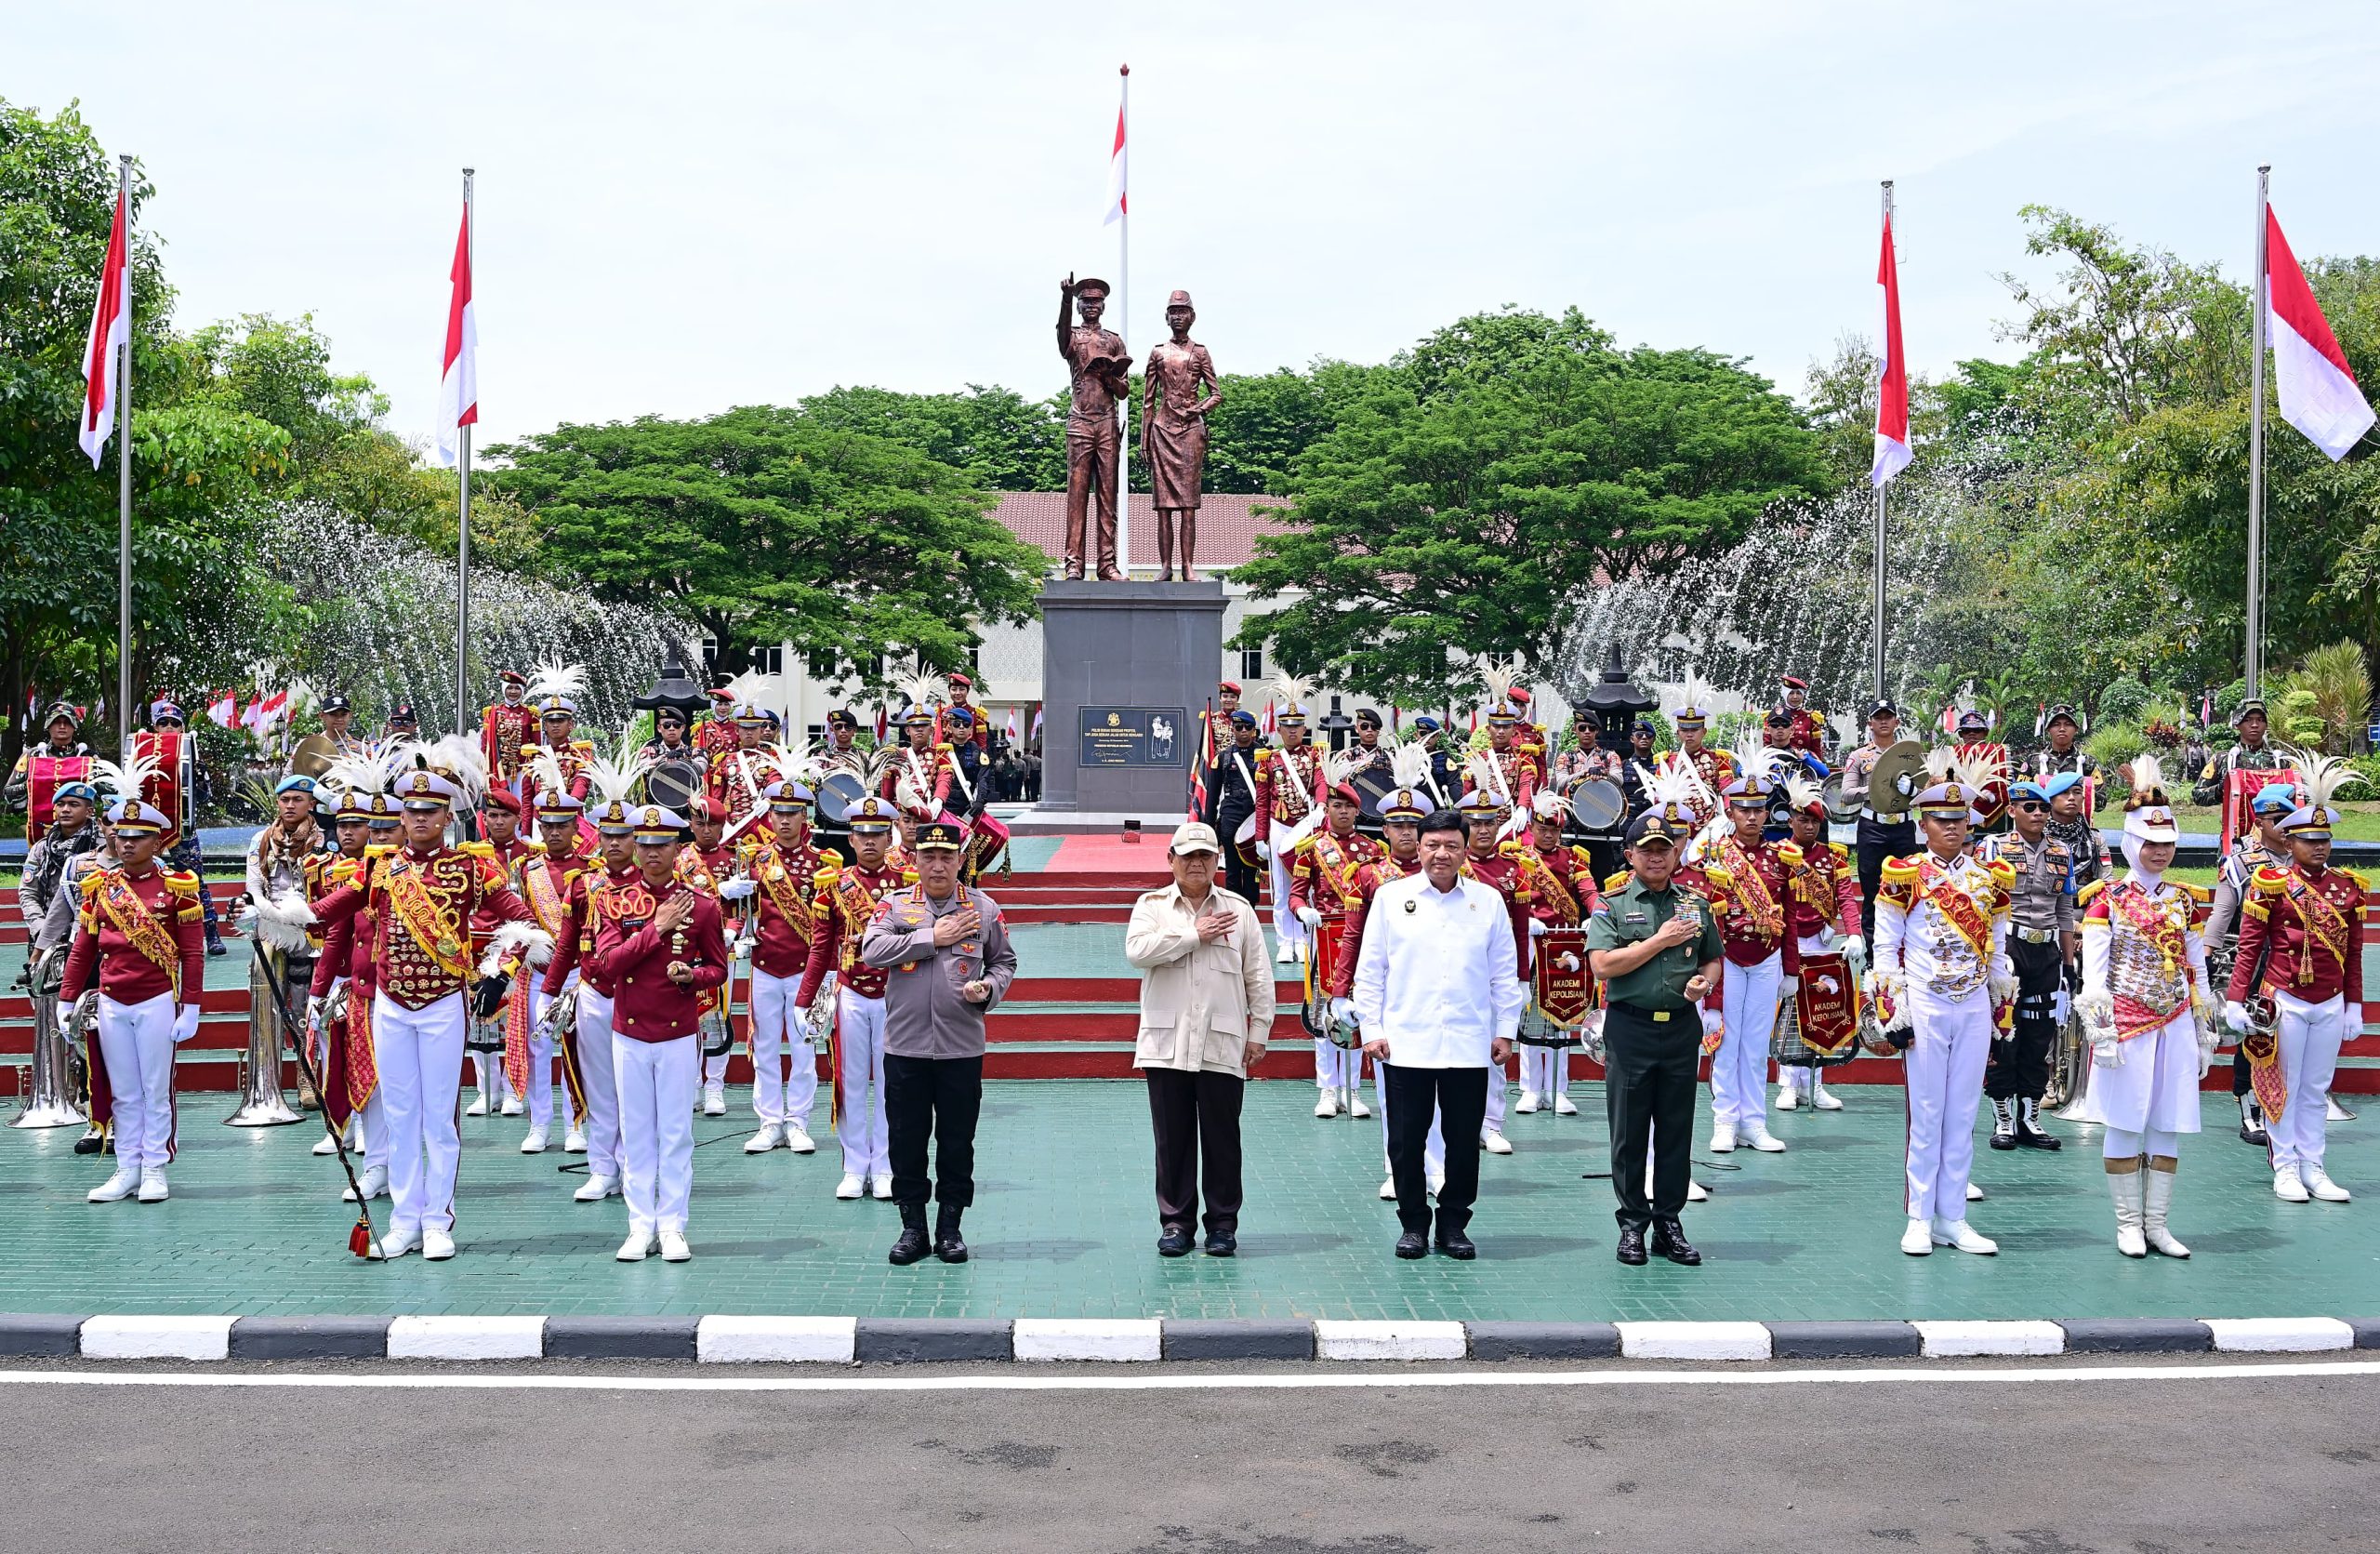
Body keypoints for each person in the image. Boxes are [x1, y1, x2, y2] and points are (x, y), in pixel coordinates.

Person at [282, 758, 549, 1259]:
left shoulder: (472, 865)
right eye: (412, 811)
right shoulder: (380, 867)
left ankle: (437, 1220)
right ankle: (404, 1219)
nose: (421, 819)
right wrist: (274, 917)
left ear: (447, 816)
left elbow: (526, 921)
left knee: (438, 1117)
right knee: (401, 1114)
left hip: (443, 1002)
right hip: (390, 1004)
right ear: (401, 818)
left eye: (431, 811)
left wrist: (501, 971)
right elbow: (330, 910)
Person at [1352, 808, 1525, 1261]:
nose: (1441, 854)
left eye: (1451, 846)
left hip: (1469, 1045)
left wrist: (1505, 1032)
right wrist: (1371, 1028)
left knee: (1464, 1141)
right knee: (1406, 1141)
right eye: (1432, 845)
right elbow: (1370, 971)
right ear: (1418, 848)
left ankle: (1453, 1222)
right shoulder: (1391, 898)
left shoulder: (1487, 902)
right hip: (1406, 1042)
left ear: (1466, 851)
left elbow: (1505, 975)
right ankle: (1413, 1223)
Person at [2070, 757, 2212, 1256]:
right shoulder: (2106, 899)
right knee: (2126, 1121)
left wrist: (2202, 1024)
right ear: (2132, 844)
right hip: (2126, 1023)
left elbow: (2197, 968)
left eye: (2167, 844)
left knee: (2167, 1122)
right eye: (2151, 844)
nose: (2160, 852)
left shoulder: (2184, 901)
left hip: (2173, 1021)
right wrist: (2100, 1029)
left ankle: (2158, 1225)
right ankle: (2128, 1224)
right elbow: (2093, 974)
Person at [1871, 764, 2015, 1256]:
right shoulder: (1903, 874)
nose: (1952, 826)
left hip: (1973, 1002)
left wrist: (1999, 999)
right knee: (1927, 1113)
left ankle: (1953, 1216)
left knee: (1964, 1113)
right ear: (1924, 824)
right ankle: (1919, 1216)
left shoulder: (1989, 878)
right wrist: (1896, 1010)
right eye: (1941, 819)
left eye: (1960, 818)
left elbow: (1996, 946)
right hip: (1926, 1002)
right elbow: (1886, 947)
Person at [861, 817, 1016, 1265]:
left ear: (961, 860)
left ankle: (950, 1228)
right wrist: (932, 937)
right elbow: (872, 951)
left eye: (946, 857)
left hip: (960, 1048)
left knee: (956, 1141)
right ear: (914, 860)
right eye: (928, 856)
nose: (937, 866)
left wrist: (988, 989)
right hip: (905, 1047)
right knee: (906, 1142)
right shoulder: (892, 907)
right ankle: (913, 1229)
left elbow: (1004, 962)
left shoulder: (983, 910)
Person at [1586, 794, 1725, 1267]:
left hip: (1681, 1028)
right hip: (1631, 1029)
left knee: (1675, 1129)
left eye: (1665, 847)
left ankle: (1668, 1222)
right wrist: (1660, 940)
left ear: (1677, 852)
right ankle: (1631, 1224)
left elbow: (1712, 956)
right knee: (1627, 1132)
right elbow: (1603, 966)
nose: (1657, 856)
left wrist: (1705, 981)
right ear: (1630, 855)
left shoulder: (1695, 904)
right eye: (1647, 849)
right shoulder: (1611, 906)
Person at [1124, 821, 1270, 1256]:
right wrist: (1195, 935)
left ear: (1217, 860)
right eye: (1187, 856)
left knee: (1223, 1138)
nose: (1197, 864)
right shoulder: (1152, 906)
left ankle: (1223, 1225)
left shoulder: (1239, 910)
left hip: (1222, 1040)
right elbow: (1137, 952)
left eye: (1205, 856)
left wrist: (1259, 1030)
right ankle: (1176, 1224)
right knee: (1172, 1138)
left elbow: (1258, 976)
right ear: (1171, 860)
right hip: (1167, 1043)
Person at [58, 783, 206, 1204]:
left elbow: (192, 953)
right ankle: (127, 1167)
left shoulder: (178, 887)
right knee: (122, 1089)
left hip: (157, 999)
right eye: (121, 835)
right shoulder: (101, 887)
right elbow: (83, 948)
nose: (127, 843)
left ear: (156, 841)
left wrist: (191, 1006)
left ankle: (155, 1166)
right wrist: (67, 998)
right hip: (110, 1000)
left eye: (138, 836)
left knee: (155, 1088)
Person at [593, 804, 728, 1262]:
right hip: (629, 1031)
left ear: (677, 848)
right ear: (633, 845)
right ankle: (639, 1225)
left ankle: (672, 1224)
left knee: (675, 1133)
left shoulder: (703, 906)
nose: (652, 853)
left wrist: (693, 976)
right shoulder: (612, 901)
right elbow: (608, 964)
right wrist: (656, 928)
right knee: (635, 1133)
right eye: (645, 844)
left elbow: (718, 969)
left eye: (662, 844)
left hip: (676, 1031)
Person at [2224, 757, 2361, 1204]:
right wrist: (2235, 999)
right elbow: (2249, 946)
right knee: (2282, 1082)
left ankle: (2314, 1165)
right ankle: (2285, 1167)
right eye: (2308, 840)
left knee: (2317, 1087)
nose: (2319, 848)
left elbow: (2354, 954)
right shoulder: (2271, 884)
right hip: (2284, 998)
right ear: (2291, 840)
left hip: (2330, 999)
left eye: (2324, 840)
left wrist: (2355, 1004)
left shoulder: (2348, 888)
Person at [1327, 749, 1445, 1199]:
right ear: (1386, 828)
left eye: (1414, 825)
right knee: (1391, 1092)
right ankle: (1398, 1169)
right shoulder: (1370, 874)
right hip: (1388, 994)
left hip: (1434, 990)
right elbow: (1353, 937)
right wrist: (1342, 991)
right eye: (1398, 825)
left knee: (1438, 1088)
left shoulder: (1448, 872)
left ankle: (1435, 1167)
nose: (1407, 833)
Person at [539, 760, 646, 1200]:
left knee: (636, 1090)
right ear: (597, 837)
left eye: (623, 836)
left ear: (636, 839)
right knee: (600, 1088)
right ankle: (603, 1168)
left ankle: (638, 1169)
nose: (615, 843)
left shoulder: (654, 881)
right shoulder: (582, 885)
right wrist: (549, 992)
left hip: (640, 999)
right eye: (608, 835)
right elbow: (565, 945)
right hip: (594, 996)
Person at [800, 795, 911, 1200]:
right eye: (862, 835)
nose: (869, 843)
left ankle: (883, 1164)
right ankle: (853, 1164)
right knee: (848, 1080)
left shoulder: (906, 883)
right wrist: (804, 1000)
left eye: (878, 835)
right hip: (849, 993)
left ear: (889, 837)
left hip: (895, 995)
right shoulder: (833, 887)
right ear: (851, 838)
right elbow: (819, 948)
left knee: (890, 1083)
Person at [1697, 750, 1798, 1154]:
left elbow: (1789, 917)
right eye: (1744, 810)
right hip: (1727, 961)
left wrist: (1790, 969)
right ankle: (1725, 1120)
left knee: (1756, 1045)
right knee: (1725, 1040)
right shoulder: (1715, 857)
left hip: (1767, 957)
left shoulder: (1781, 858)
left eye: (1758, 809)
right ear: (1730, 811)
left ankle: (1754, 1122)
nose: (1752, 817)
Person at [1976, 779, 2078, 1151]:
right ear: (2012, 811)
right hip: (2008, 947)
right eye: (2029, 808)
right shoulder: (1993, 848)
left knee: (2039, 1034)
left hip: (2047, 951)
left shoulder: (2061, 851)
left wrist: (2069, 965)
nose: (2038, 814)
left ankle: (2030, 1119)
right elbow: (1981, 904)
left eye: (2043, 809)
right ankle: (2002, 1118)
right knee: (2005, 1032)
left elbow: (2066, 910)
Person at [736, 780, 832, 1156]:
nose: (786, 820)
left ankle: (798, 1121)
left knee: (804, 1047)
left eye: (793, 812)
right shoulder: (755, 860)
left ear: (804, 815)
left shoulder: (823, 863)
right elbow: (741, 914)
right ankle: (770, 1121)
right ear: (770, 816)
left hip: (805, 969)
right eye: (779, 812)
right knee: (763, 1046)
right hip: (764, 965)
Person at [2205, 780, 2299, 1145]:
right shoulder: (2242, 863)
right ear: (2260, 821)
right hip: (2256, 959)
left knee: (2291, 1037)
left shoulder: (2304, 859)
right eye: (2278, 818)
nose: (2286, 826)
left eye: (2291, 817)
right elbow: (2222, 913)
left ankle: (2284, 1108)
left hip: (2297, 962)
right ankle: (2251, 1111)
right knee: (2256, 1037)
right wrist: (2209, 956)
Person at [1287, 770, 1384, 1119]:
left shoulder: (1374, 850)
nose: (1342, 812)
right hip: (1326, 937)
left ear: (1358, 811)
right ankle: (1328, 1088)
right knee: (1325, 1013)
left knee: (1359, 1009)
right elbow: (1294, 898)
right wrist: (1305, 912)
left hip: (1363, 938)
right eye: (1336, 805)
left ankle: (1354, 1089)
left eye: (1348, 807)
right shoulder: (1311, 849)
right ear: (1326, 809)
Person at [1454, 786, 1540, 1156]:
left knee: (1495, 1050)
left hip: (1496, 972)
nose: (1484, 830)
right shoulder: (1450, 866)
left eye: (1490, 822)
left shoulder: (1514, 871)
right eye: (1475, 823)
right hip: (1456, 970)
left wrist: (1522, 978)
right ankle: (1456, 1124)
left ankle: (1491, 1124)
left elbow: (1520, 930)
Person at [506, 788, 589, 1154]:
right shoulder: (527, 870)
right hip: (539, 972)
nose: (554, 832)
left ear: (575, 827)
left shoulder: (592, 871)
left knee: (577, 1050)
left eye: (562, 825)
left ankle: (577, 1122)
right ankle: (540, 1123)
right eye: (547, 826)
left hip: (578, 974)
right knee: (538, 1050)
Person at [1775, 773, 1864, 1111]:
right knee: (1788, 1013)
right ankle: (1787, 1083)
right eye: (1802, 820)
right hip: (1787, 944)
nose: (1808, 827)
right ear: (1792, 820)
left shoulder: (1833, 857)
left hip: (1821, 941)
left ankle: (1815, 1083)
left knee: (1823, 1010)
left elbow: (1845, 897)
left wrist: (1854, 932)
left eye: (1814, 821)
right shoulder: (1780, 854)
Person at [243, 774, 330, 1109]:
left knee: (309, 1004)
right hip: (273, 930)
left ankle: (307, 1074)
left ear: (311, 804)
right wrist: (269, 916)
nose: (290, 806)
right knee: (274, 1002)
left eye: (298, 800)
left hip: (312, 930)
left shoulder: (327, 840)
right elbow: (254, 887)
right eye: (285, 800)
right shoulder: (262, 840)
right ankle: (267, 1079)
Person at [1514, 789, 1597, 1116]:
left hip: (1563, 941)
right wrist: (1524, 919)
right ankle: (1530, 1089)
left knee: (1565, 1011)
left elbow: (1588, 890)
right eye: (1543, 828)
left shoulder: (1573, 857)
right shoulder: (1517, 855)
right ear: (1532, 827)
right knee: (1530, 1014)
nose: (1548, 834)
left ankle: (1558, 1088)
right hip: (1530, 938)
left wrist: (1596, 915)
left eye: (1555, 829)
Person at [1142, 288, 1222, 580]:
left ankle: (1188, 565)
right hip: (1162, 431)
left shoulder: (1200, 352)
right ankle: (1166, 566)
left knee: (1188, 503)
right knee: (1163, 504)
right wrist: (1144, 440)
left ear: (1192, 316)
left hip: (1191, 432)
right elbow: (1147, 400)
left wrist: (1195, 410)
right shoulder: (1157, 352)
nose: (1178, 316)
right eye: (1173, 312)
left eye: (1183, 311)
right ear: (1167, 317)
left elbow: (1216, 394)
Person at [1056, 273, 1130, 580]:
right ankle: (1074, 563)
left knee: (1108, 494)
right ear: (1078, 305)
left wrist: (1109, 377)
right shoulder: (1074, 336)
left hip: (1108, 422)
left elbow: (1124, 390)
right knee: (1077, 495)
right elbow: (1062, 341)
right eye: (1085, 301)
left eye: (1096, 302)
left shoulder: (1113, 340)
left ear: (1103, 306)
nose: (1091, 306)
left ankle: (1107, 563)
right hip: (1080, 421)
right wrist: (1063, 299)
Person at [1253, 676, 1328, 964]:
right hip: (1279, 825)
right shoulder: (1269, 759)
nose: (1292, 730)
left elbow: (1321, 783)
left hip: (1306, 826)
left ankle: (1306, 940)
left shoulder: (1315, 756)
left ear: (1304, 728)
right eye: (1287, 725)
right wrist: (1260, 836)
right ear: (1279, 728)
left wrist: (1321, 806)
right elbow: (1263, 800)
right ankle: (1286, 942)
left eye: (1297, 725)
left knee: (1307, 883)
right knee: (1281, 888)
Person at [1840, 700, 1913, 942]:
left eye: (1888, 716)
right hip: (1872, 827)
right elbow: (1846, 794)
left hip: (1902, 827)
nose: (1883, 721)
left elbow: (1926, 788)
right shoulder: (1860, 755)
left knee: (1909, 887)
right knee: (1872, 890)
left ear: (1897, 722)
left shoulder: (1910, 754)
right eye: (1878, 717)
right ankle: (1873, 956)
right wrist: (1872, 790)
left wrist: (1913, 789)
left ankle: (1907, 951)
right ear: (1869, 723)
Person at [1202, 710, 1266, 904]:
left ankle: (1250, 911)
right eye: (1239, 727)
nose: (1244, 731)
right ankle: (1234, 912)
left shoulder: (1264, 755)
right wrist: (1209, 827)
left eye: (1248, 727)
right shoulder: (1223, 758)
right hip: (1231, 815)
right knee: (1232, 869)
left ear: (1254, 730)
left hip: (1254, 816)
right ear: (1233, 729)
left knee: (1252, 869)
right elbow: (1212, 797)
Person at [2191, 697, 2285, 808]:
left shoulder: (2281, 759)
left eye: (2260, 720)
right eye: (2248, 720)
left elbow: (2303, 793)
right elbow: (2197, 795)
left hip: (2274, 823)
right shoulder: (2224, 759)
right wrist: (2222, 789)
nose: (2254, 724)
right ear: (2237, 724)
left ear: (2266, 725)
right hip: (2237, 822)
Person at [2026, 705, 2097, 785]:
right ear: (2048, 729)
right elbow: (2022, 794)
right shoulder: (2033, 761)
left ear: (2076, 729)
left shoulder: (2088, 763)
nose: (2062, 729)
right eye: (2056, 724)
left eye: (2068, 724)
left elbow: (2098, 795)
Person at [1778, 676, 1828, 758]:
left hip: (1805, 761)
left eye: (1798, 693)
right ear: (1785, 694)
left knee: (1824, 771)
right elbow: (1767, 746)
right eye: (1791, 693)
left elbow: (1816, 748)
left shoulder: (1812, 717)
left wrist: (1818, 763)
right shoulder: (1774, 716)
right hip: (1780, 762)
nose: (1795, 697)